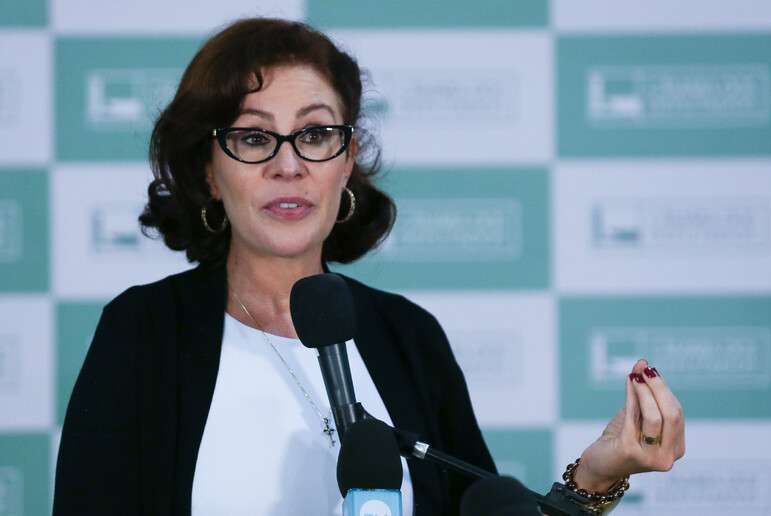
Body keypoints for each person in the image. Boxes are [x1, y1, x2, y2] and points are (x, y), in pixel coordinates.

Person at [52, 18, 685, 516]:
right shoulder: (144, 332)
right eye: (253, 137)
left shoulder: (408, 337)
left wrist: (594, 478)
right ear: (209, 172)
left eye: (314, 135)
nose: (288, 165)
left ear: (347, 158)